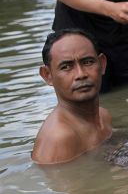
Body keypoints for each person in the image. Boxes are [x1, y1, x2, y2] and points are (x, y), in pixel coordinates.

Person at [32, 29, 112, 164]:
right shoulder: (59, 138)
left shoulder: (104, 116)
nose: (81, 74)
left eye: (87, 62)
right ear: (48, 75)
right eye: (66, 67)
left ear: (102, 64)